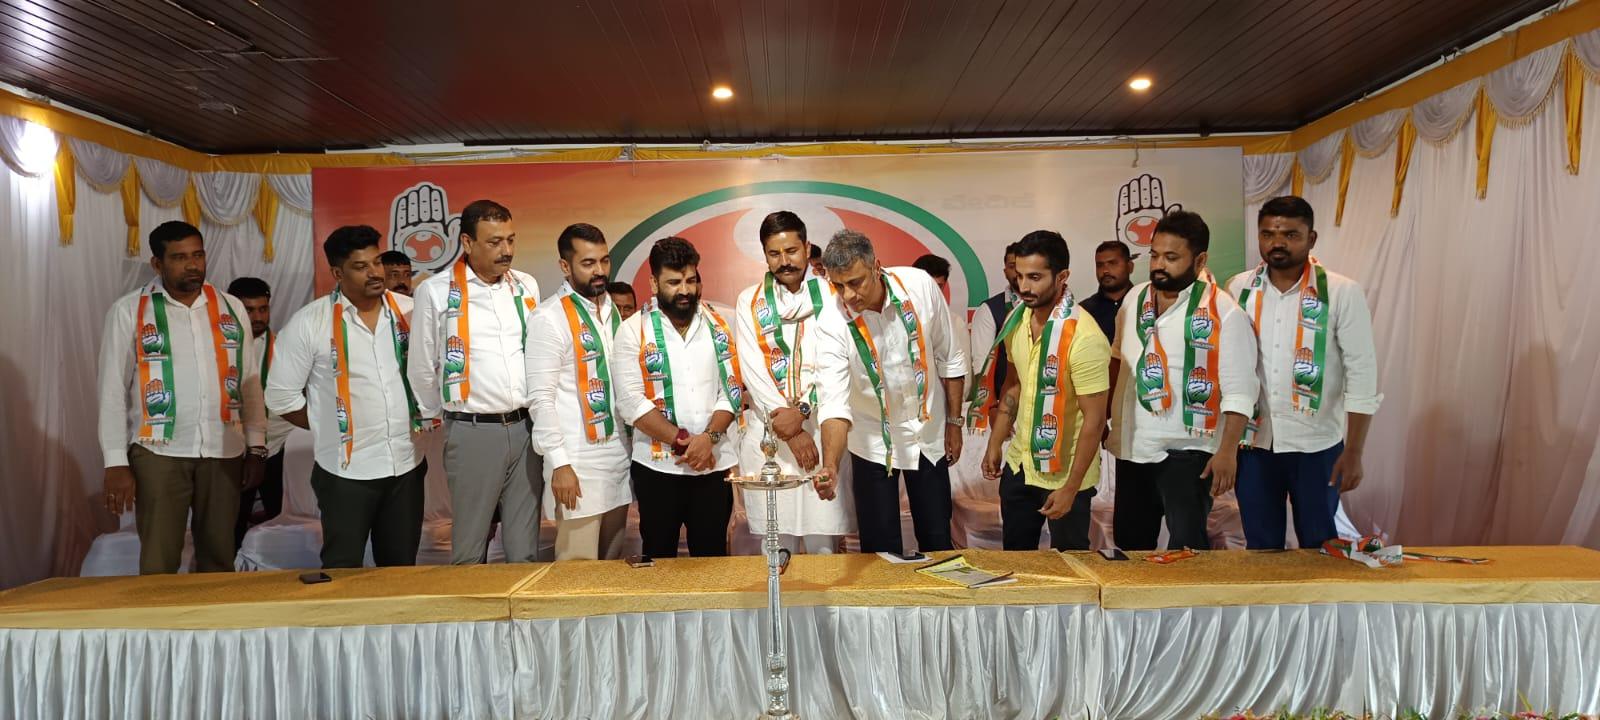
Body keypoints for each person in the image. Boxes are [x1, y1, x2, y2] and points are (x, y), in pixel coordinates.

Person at [98, 221, 266, 574]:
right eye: (179, 258)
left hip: (224, 450)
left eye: (198, 255)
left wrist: (256, 447)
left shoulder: (231, 307)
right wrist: (115, 461)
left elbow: (249, 382)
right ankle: (159, 613)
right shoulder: (129, 310)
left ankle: (213, 613)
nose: (192, 265)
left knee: (219, 557)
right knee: (159, 560)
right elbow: (112, 390)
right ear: (157, 264)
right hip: (159, 451)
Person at [267, 226, 426, 567]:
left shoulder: (411, 312)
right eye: (361, 266)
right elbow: (281, 397)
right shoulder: (309, 322)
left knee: (401, 569)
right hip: (345, 472)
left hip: (406, 464)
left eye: (377, 262)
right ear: (338, 274)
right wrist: (328, 424)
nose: (375, 273)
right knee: (342, 568)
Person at [1226, 196, 1380, 550]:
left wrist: (1355, 451)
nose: (1277, 243)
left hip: (1317, 445)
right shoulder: (1237, 288)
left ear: (1311, 239)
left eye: (1290, 235)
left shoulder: (1341, 292)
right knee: (1261, 547)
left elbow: (1362, 373)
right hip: (1254, 444)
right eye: (1268, 234)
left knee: (1320, 545)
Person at [1107, 210, 1258, 551]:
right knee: (1130, 548)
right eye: (1155, 255)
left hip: (1189, 452)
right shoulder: (1134, 298)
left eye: (1171, 258)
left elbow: (1240, 390)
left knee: (1187, 551)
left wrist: (1228, 453)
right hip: (1134, 447)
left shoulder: (1224, 311)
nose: (1159, 265)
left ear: (1200, 260)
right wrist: (1106, 419)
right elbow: (1118, 360)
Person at [815, 230, 968, 555]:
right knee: (880, 551)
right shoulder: (830, 322)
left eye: (855, 282)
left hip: (927, 431)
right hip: (871, 440)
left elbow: (950, 356)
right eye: (838, 285)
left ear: (876, 267)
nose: (848, 295)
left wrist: (955, 423)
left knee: (937, 540)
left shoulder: (920, 286)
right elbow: (833, 404)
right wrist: (830, 465)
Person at [407, 199, 544, 564]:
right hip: (473, 430)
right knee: (470, 548)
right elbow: (421, 365)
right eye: (495, 242)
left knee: (524, 549)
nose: (507, 251)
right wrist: (439, 413)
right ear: (467, 243)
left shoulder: (526, 286)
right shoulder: (435, 291)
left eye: (511, 240)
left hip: (526, 428)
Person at [974, 231, 1111, 550]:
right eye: (1019, 276)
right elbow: (1013, 383)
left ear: (1062, 277)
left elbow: (1094, 420)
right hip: (1020, 464)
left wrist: (1071, 488)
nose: (1023, 286)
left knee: (1070, 565)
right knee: (1016, 561)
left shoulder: (1086, 337)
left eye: (1035, 277)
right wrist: (995, 443)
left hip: (1065, 474)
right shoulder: (1016, 319)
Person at [612, 238, 742, 557]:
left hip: (713, 465)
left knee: (712, 563)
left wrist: (708, 439)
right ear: (654, 283)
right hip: (657, 469)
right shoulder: (632, 330)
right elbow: (631, 403)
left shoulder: (720, 323)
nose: (685, 290)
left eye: (690, 280)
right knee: (659, 561)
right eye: (674, 282)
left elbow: (731, 390)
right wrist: (684, 442)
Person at [733, 211, 851, 554]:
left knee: (822, 543)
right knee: (776, 542)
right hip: (771, 434)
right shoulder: (749, 301)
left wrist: (802, 413)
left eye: (791, 251)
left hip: (822, 430)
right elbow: (753, 371)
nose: (784, 261)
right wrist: (791, 430)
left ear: (807, 248)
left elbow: (838, 364)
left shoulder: (834, 295)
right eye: (774, 253)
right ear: (765, 255)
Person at [527, 223, 632, 560]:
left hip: (618, 459)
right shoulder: (549, 317)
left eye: (604, 260)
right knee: (578, 571)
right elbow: (541, 398)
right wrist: (559, 464)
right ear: (565, 266)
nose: (599, 271)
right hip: (577, 465)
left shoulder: (612, 311)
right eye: (588, 263)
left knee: (612, 566)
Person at [227, 277, 294, 549]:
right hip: (235, 450)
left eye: (263, 309)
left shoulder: (286, 347)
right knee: (232, 524)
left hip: (279, 448)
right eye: (249, 310)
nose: (257, 317)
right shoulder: (220, 348)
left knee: (282, 524)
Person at [968, 242, 1021, 430]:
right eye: (1012, 266)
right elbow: (982, 366)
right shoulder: (990, 310)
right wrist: (990, 407)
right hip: (1004, 407)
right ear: (1005, 271)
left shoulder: (1049, 308)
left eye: (1022, 265)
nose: (1018, 272)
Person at [1079, 240, 1136, 343]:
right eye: (1100, 265)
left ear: (1130, 267)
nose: (1105, 270)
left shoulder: (1146, 303)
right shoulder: (1083, 311)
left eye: (1112, 263)